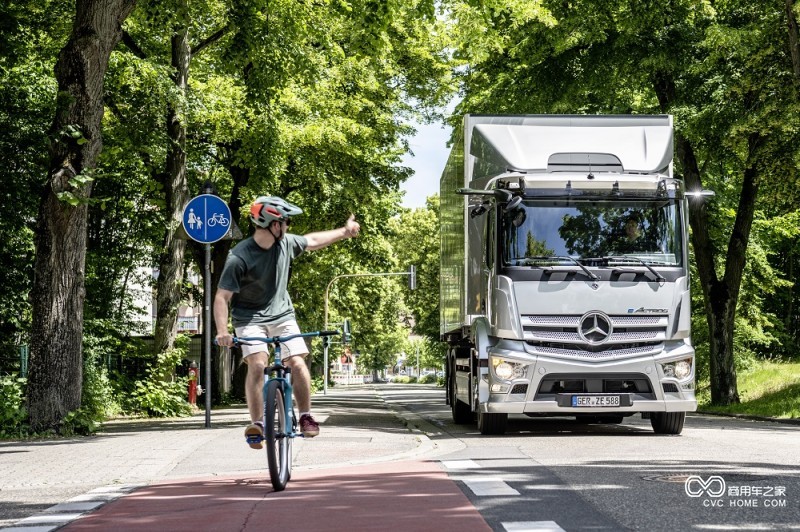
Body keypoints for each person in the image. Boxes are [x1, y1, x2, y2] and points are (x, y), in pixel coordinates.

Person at [214, 196, 360, 448]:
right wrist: (222, 331)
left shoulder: (286, 244)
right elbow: (222, 297)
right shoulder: (239, 257)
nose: (288, 227)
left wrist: (345, 232)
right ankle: (258, 423)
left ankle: (305, 415)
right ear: (272, 224)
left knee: (297, 362)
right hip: (249, 318)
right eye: (285, 222)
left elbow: (313, 241)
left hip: (282, 315)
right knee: (258, 364)